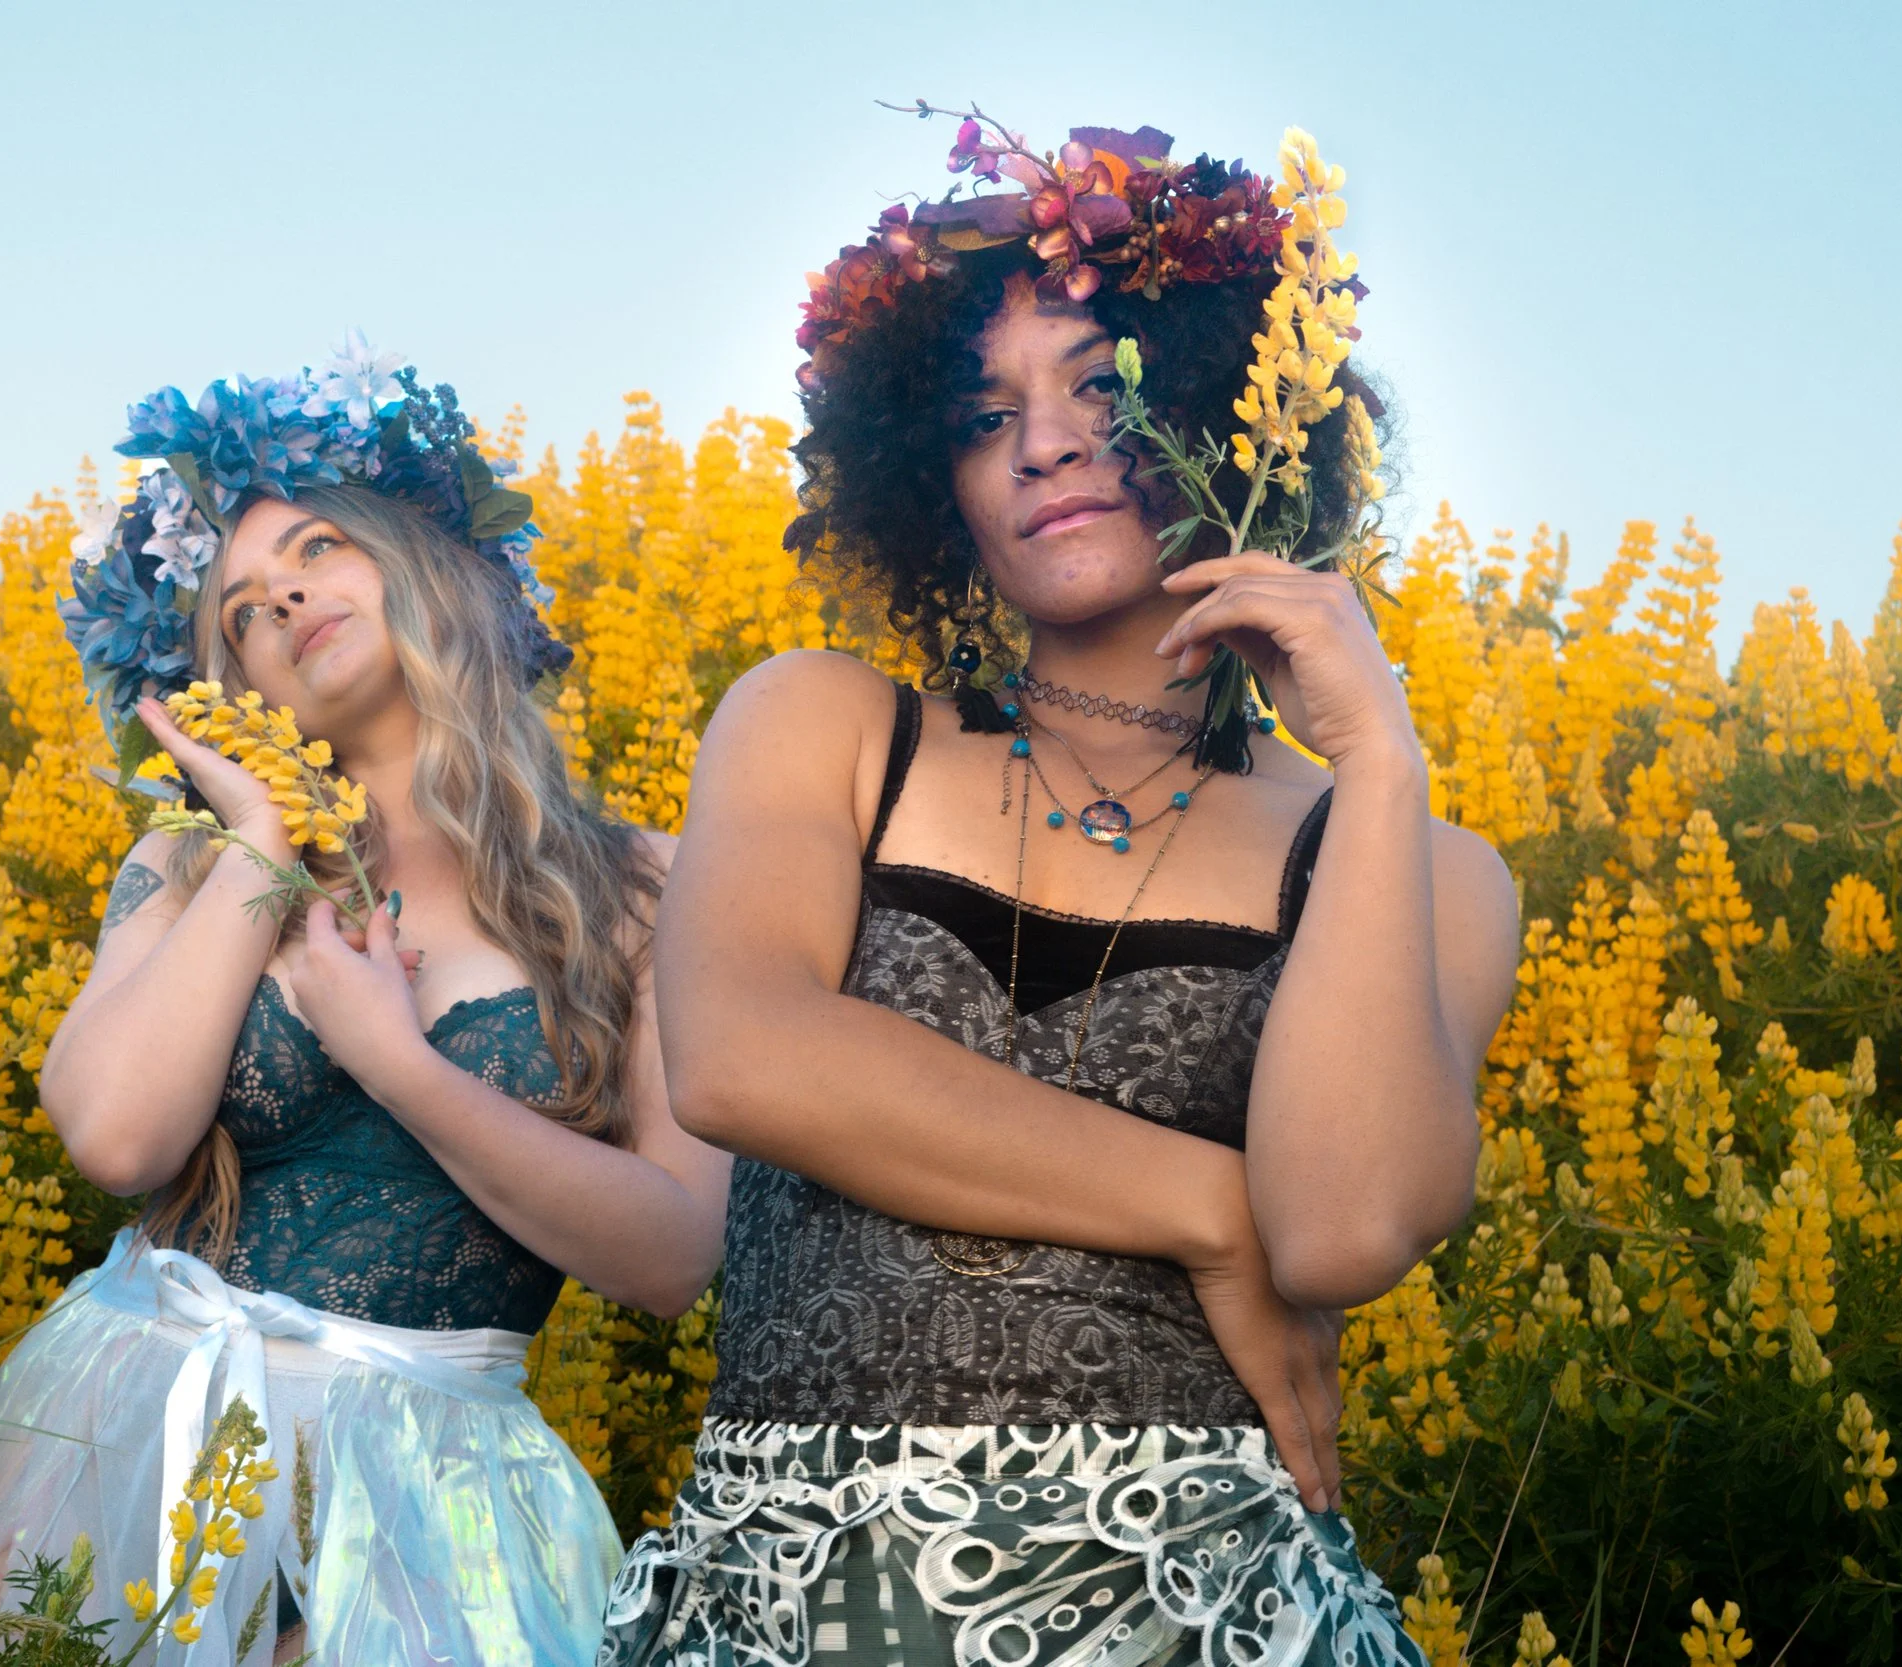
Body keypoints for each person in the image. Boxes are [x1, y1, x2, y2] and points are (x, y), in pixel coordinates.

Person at [600, 118, 1520, 1664]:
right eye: (984, 416)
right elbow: (744, 1055)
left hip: (1206, 1622)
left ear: (1234, 406)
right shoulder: (826, 725)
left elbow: (1343, 1231)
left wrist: (1377, 759)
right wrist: (1206, 1208)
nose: (1043, 445)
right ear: (934, 480)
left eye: (1101, 385)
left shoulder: (1416, 861)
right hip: (799, 1610)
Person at [0, 343, 729, 1666]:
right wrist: (258, 843)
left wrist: (397, 1063)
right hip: (138, 1432)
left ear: (428, 562)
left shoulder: (646, 887)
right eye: (243, 611)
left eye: (316, 547)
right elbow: (118, 1139)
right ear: (234, 686)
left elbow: (670, 1257)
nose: (286, 596)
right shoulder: (186, 860)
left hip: (435, 1497)